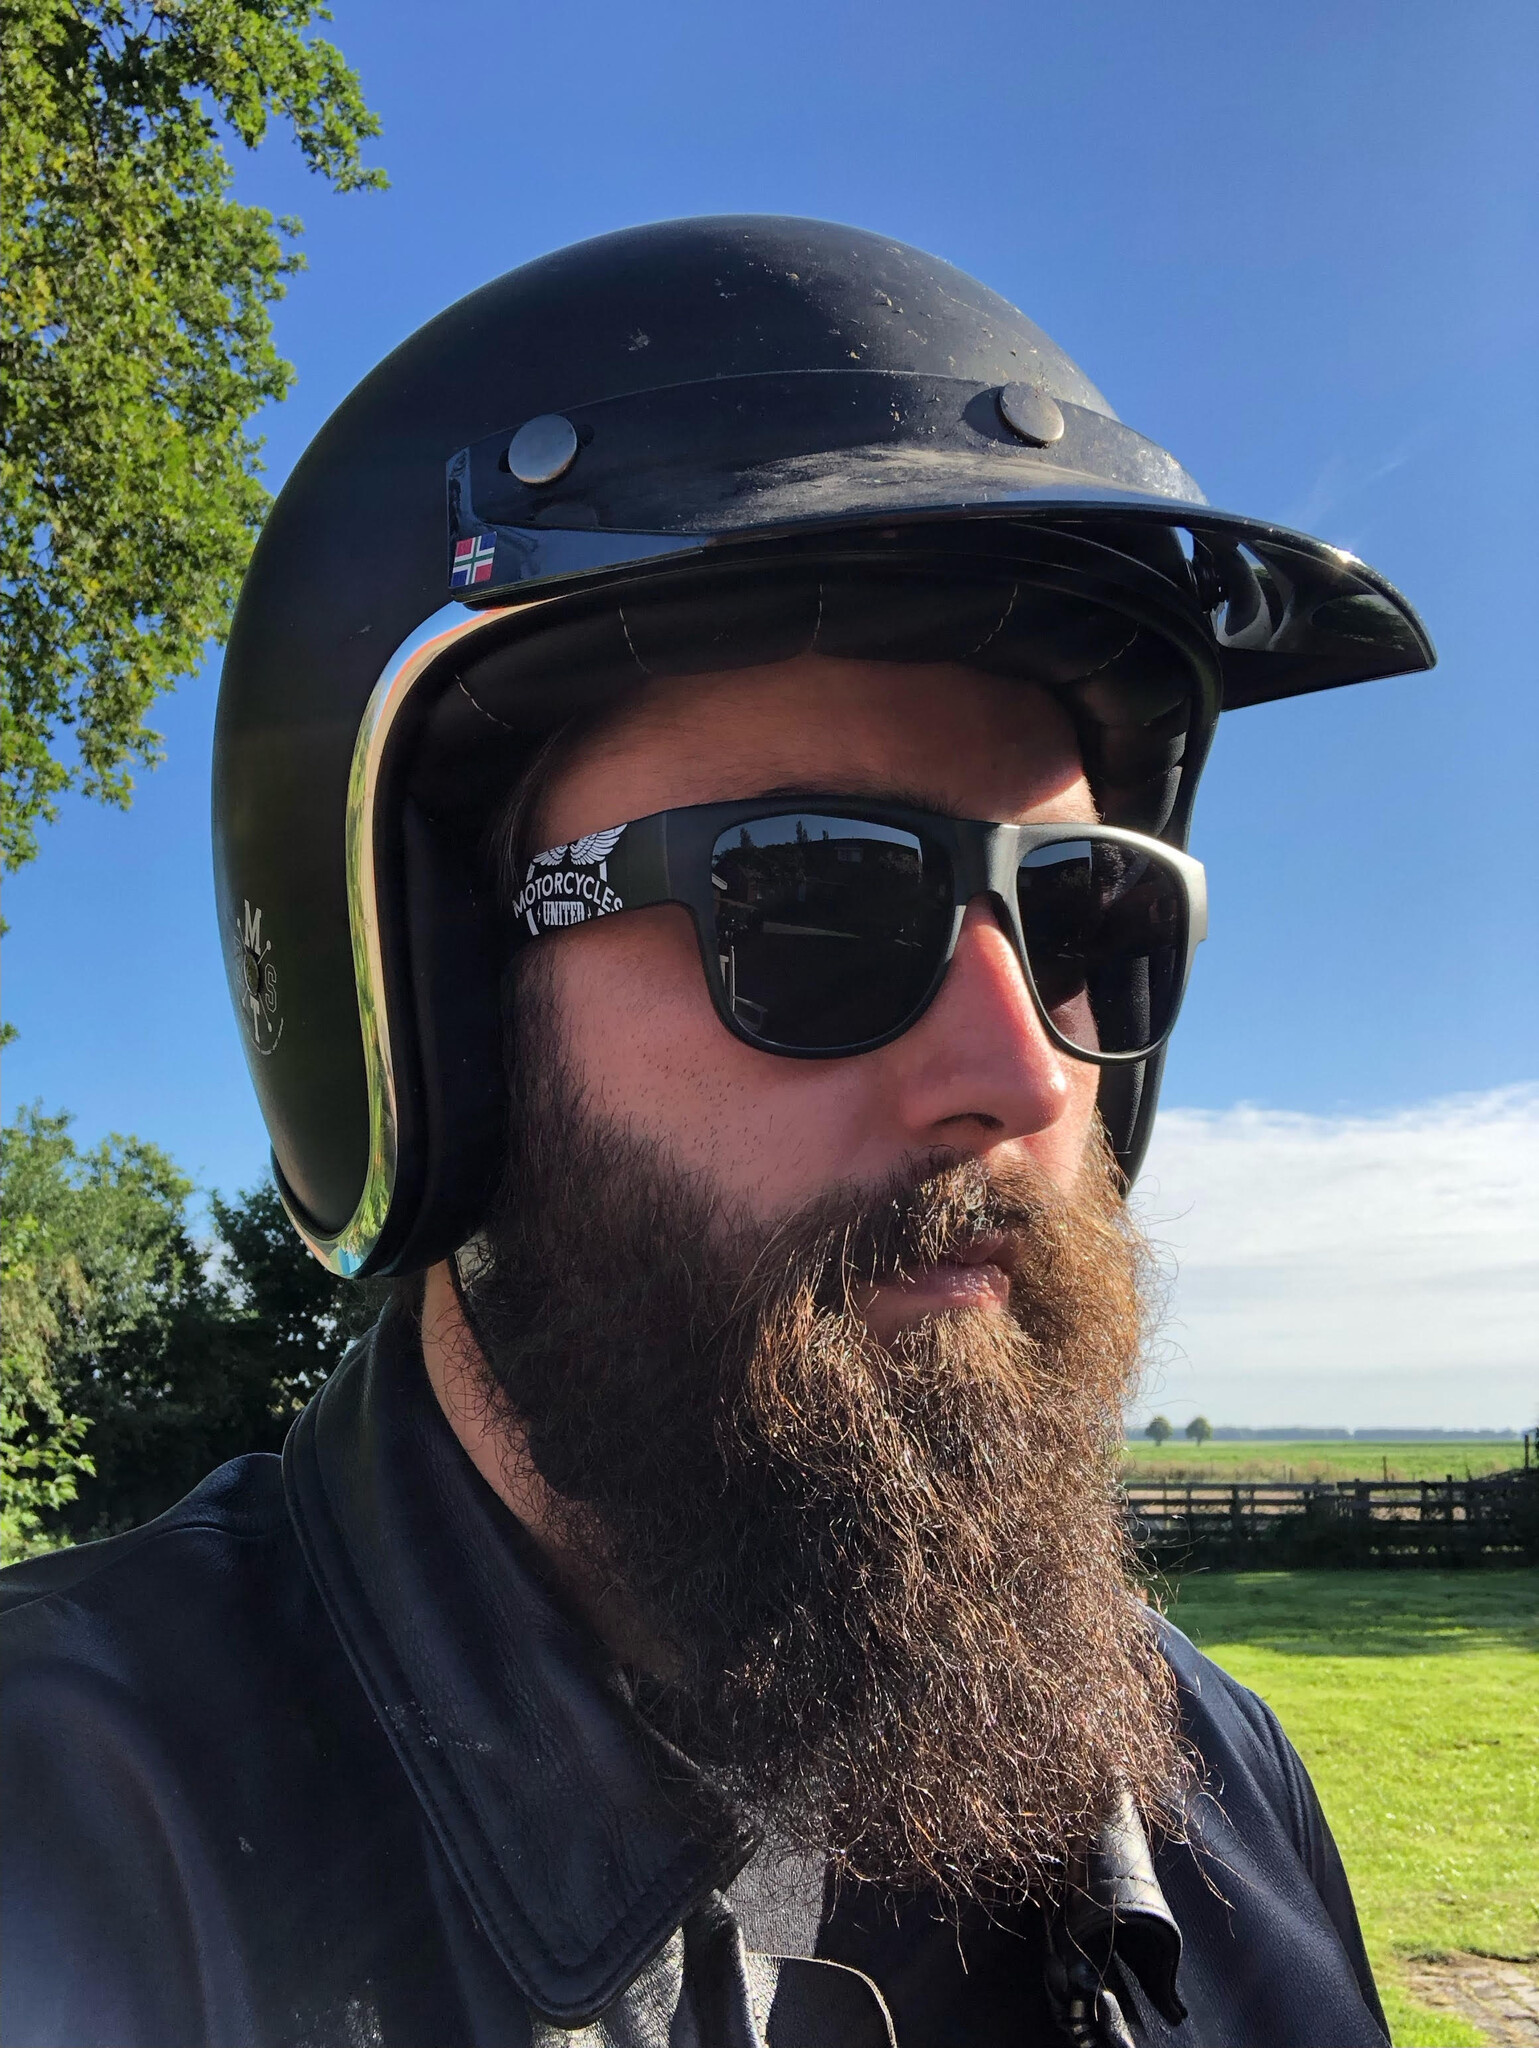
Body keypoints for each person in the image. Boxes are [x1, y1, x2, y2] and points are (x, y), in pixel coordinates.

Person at [1, 217, 1434, 2048]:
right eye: (816, 902)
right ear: (434, 1022)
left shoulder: (1216, 1794)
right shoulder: (70, 1840)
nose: (1021, 1070)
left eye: (1087, 914)